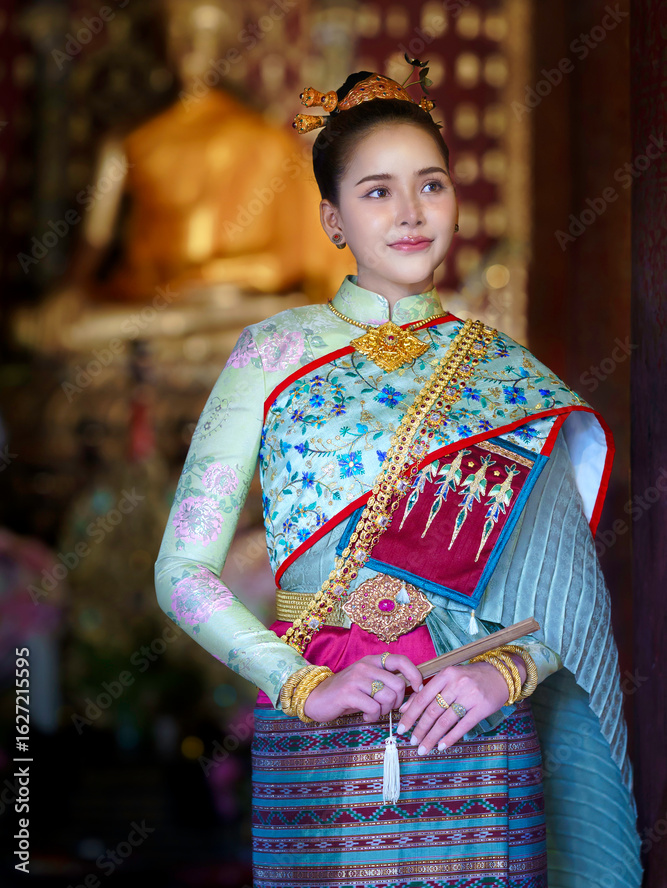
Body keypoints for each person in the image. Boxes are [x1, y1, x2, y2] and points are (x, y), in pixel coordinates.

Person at [154, 63, 642, 887]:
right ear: (332, 218)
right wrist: (300, 683)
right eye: (377, 191)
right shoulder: (271, 353)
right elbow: (181, 572)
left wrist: (505, 672)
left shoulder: (508, 378)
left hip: (478, 732)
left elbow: (568, 596)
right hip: (327, 723)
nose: (411, 211)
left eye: (430, 184)